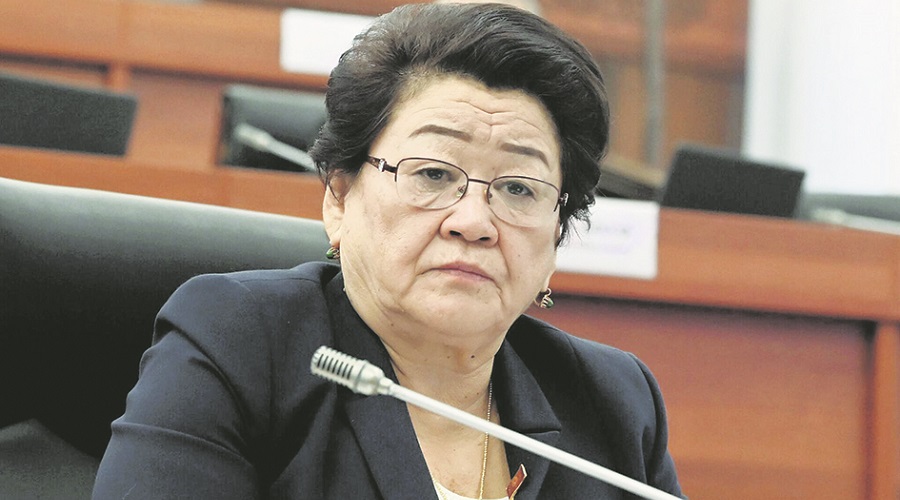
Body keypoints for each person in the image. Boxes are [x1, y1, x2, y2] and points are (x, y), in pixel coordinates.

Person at [92, 3, 684, 499]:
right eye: (432, 175)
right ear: (339, 197)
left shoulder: (614, 402)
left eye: (519, 189)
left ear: (556, 237)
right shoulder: (241, 344)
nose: (474, 222)